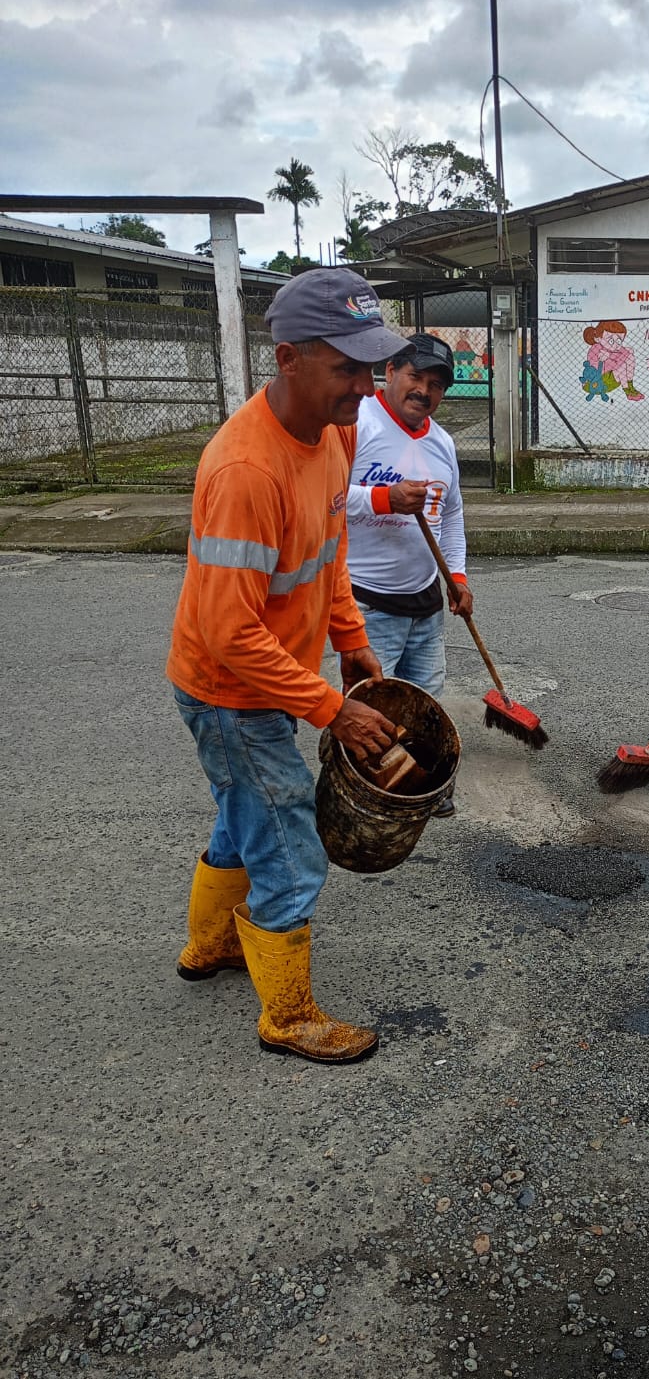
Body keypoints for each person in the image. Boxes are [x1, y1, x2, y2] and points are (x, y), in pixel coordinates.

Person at [167, 266, 406, 1063]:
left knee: (245, 816)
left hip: (265, 679)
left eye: (371, 366)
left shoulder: (334, 434)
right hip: (229, 692)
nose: (366, 387)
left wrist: (352, 639)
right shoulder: (247, 471)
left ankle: (211, 945)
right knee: (287, 841)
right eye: (347, 368)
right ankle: (289, 1015)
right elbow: (229, 633)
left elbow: (328, 551)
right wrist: (332, 708)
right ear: (287, 358)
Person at [344, 331, 472, 817]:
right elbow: (323, 496)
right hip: (368, 602)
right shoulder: (357, 424)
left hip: (425, 601)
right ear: (390, 371)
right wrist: (385, 498)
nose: (424, 391)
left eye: (436, 384)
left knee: (425, 705)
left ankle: (419, 788)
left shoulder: (442, 442)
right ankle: (364, 795)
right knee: (371, 709)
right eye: (416, 376)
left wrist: (457, 577)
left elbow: (451, 515)